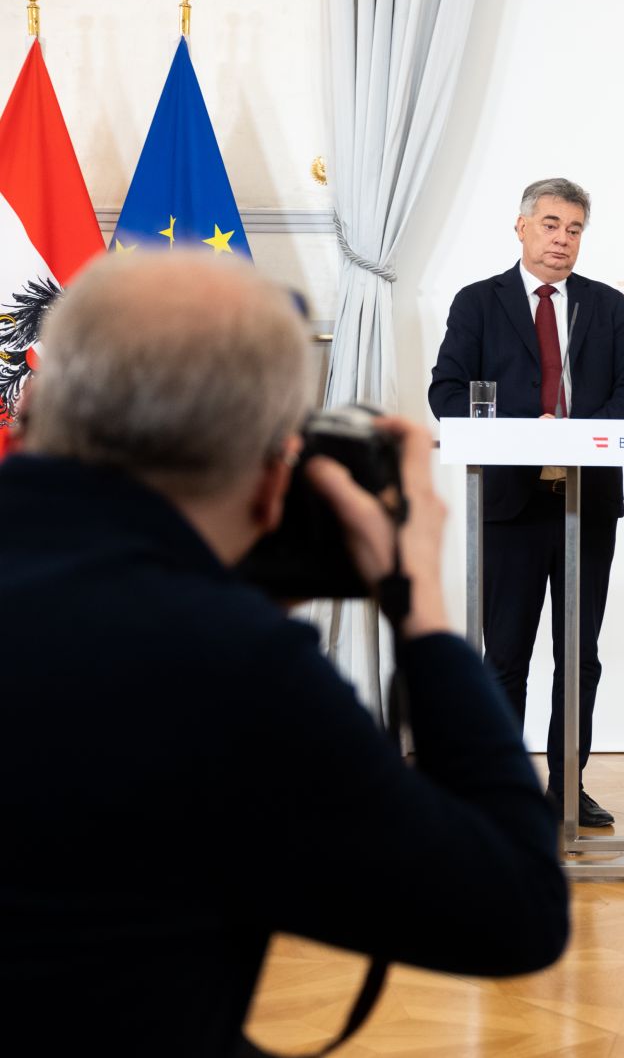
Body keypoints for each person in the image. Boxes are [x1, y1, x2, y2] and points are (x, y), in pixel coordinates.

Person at [0, 254, 568, 1055]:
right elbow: (514, 912)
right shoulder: (232, 671)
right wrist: (423, 610)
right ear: (274, 480)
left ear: (31, 414)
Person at [429, 177, 624, 827]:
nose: (563, 239)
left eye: (575, 229)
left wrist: (580, 435)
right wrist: (532, 427)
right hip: (511, 503)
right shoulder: (479, 303)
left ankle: (567, 787)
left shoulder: (606, 306)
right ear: (522, 227)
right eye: (551, 224)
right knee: (505, 655)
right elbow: (447, 394)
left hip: (588, 501)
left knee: (579, 654)